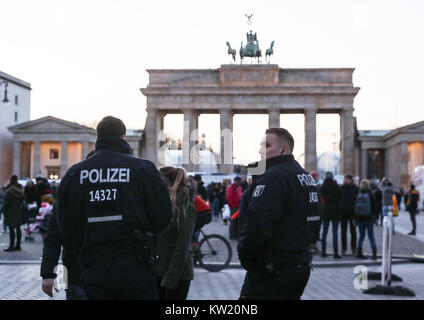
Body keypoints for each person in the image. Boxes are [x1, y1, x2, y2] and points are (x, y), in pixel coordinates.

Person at [57, 116, 173, 300]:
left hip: (93, 264)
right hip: (136, 264)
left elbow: (64, 224)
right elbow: (163, 215)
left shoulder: (74, 174)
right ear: (123, 136)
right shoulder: (142, 169)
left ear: (98, 137)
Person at [238, 128, 320, 300]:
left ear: (284, 150)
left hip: (273, 269)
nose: (261, 151)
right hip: (299, 265)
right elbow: (314, 221)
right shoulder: (306, 177)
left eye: (267, 146)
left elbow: (258, 225)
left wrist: (247, 258)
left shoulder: (274, 177)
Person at [41, 150, 95, 300]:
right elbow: (53, 234)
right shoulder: (69, 194)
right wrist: (47, 273)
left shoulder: (69, 192)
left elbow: (52, 235)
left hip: (75, 269)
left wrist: (47, 274)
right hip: (76, 270)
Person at [156, 166, 196, 300]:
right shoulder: (160, 205)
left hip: (177, 274)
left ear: (167, 183)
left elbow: (182, 247)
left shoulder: (185, 208)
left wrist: (171, 277)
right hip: (160, 271)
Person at [320, 172, 342, 258]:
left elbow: (321, 196)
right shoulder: (336, 186)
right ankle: (335, 253)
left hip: (326, 211)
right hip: (335, 211)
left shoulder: (323, 187)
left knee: (324, 232)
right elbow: (340, 196)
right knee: (335, 233)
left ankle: (323, 252)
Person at [355, 179, 378, 260]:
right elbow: (374, 207)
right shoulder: (370, 194)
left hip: (360, 218)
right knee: (371, 236)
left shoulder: (358, 193)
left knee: (361, 236)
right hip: (369, 218)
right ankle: (374, 254)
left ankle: (359, 253)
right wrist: (376, 216)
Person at [2, 175, 24, 251]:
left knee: (11, 229)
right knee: (18, 228)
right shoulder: (20, 188)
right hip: (18, 210)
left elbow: (7, 202)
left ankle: (11, 245)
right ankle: (18, 245)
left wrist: (3, 208)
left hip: (10, 211)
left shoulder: (10, 189)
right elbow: (23, 199)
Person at [340, 174, 359, 255]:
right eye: (345, 179)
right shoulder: (341, 188)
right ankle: (343, 248)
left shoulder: (356, 188)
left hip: (353, 213)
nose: (345, 180)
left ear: (351, 180)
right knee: (343, 232)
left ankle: (353, 248)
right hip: (343, 213)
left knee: (353, 231)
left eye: (347, 179)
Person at [309, 171, 321, 253]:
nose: (318, 178)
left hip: (317, 211)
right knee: (312, 229)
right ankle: (312, 244)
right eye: (317, 176)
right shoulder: (312, 186)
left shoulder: (317, 186)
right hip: (312, 212)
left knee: (316, 229)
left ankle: (313, 244)